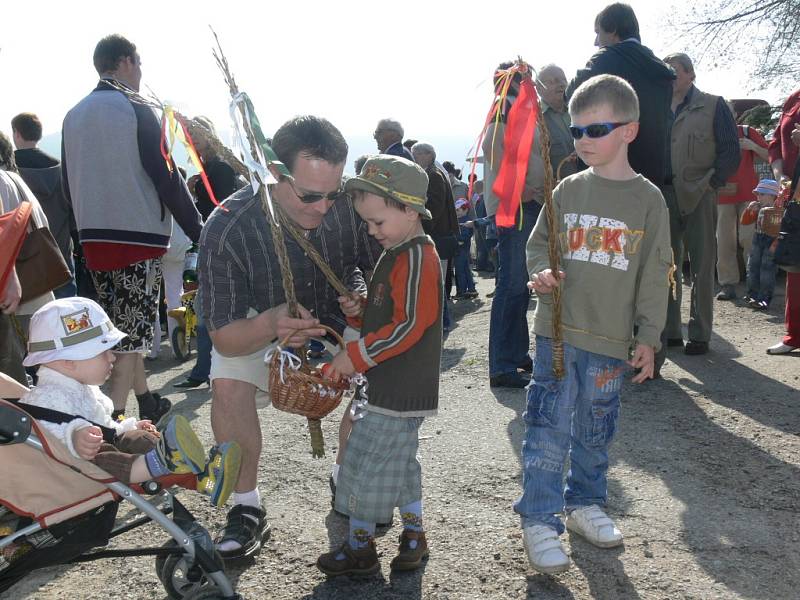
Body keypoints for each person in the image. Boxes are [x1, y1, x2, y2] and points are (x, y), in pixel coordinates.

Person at [198, 115, 378, 560]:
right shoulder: (227, 227)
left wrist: (363, 294)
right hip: (257, 330)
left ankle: (348, 478)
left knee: (381, 366)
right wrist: (269, 324)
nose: (323, 207)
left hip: (336, 320)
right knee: (228, 384)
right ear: (273, 173)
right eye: (310, 195)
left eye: (333, 194)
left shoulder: (347, 207)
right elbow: (223, 338)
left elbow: (379, 269)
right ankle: (245, 506)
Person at [519, 74, 671, 574]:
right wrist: (540, 272)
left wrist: (649, 336)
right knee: (546, 428)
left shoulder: (648, 201)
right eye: (576, 130)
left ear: (629, 130)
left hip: (611, 341)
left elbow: (655, 273)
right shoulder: (566, 190)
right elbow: (539, 243)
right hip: (558, 336)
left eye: (596, 129)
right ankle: (540, 519)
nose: (582, 140)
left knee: (595, 429)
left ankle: (585, 503)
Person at [61, 35, 203, 421]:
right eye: (138, 64)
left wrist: (80, 235)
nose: (140, 73)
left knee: (123, 328)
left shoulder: (72, 115)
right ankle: (115, 423)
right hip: (136, 237)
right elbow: (166, 175)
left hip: (92, 238)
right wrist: (198, 228)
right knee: (129, 338)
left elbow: (66, 185)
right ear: (125, 62)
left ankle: (147, 400)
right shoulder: (134, 108)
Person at [315, 155, 442, 577]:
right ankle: (413, 535)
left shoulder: (419, 256)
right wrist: (359, 312)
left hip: (399, 386)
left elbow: (409, 325)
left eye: (378, 223)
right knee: (400, 464)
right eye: (367, 224)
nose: (373, 232)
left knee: (366, 462)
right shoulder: (399, 250)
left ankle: (361, 550)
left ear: (409, 209)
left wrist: (352, 355)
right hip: (390, 383)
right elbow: (387, 316)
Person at [19, 297, 241, 506]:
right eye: (103, 352)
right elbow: (41, 433)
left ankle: (204, 478)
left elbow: (105, 425)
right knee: (103, 457)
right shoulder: (44, 397)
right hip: (74, 473)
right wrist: (73, 436)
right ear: (68, 361)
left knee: (141, 438)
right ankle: (158, 463)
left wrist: (128, 427)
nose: (112, 357)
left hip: (107, 458)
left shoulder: (82, 387)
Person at [660, 52, 740, 356]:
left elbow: (730, 150)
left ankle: (700, 334)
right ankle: (670, 332)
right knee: (667, 265)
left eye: (675, 72)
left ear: (691, 75)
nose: (671, 78)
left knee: (703, 265)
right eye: (666, 72)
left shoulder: (713, 105)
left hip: (701, 194)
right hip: (663, 195)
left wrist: (711, 183)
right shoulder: (655, 107)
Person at [482, 61, 544, 388]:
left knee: (520, 285)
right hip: (516, 205)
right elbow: (495, 151)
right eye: (525, 78)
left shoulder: (515, 108)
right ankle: (502, 363)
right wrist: (523, 189)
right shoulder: (503, 109)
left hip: (526, 202)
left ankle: (516, 355)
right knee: (512, 284)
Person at [566, 3, 675, 187]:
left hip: (607, 178)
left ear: (613, 29)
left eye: (598, 32)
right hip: (649, 179)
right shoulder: (662, 72)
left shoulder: (602, 61)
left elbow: (571, 97)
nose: (596, 42)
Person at [11, 112, 77, 299]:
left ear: (17, 133)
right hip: (61, 254)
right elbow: (72, 212)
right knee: (68, 316)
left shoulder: (10, 172)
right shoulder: (61, 167)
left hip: (26, 260)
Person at [715, 109, 770, 300]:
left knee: (749, 238)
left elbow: (770, 155)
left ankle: (754, 284)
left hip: (749, 194)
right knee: (724, 241)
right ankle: (727, 284)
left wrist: (752, 145)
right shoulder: (711, 133)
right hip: (721, 195)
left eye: (728, 114)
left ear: (734, 115)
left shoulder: (747, 131)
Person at [410, 142, 459, 331]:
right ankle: (441, 322)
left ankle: (443, 322)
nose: (414, 158)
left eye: (417, 154)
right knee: (436, 280)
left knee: (437, 281)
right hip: (438, 235)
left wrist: (421, 226)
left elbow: (435, 209)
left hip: (438, 236)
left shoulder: (434, 176)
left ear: (428, 155)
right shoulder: (431, 174)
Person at [766, 89, 800, 355]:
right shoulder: (794, 97)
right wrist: (780, 177)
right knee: (794, 265)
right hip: (795, 195)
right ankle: (794, 335)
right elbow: (776, 141)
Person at [742, 180, 782, 309]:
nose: (758, 197)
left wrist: (775, 244)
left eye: (762, 194)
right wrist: (749, 210)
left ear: (772, 195)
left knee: (767, 270)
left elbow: (781, 230)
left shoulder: (778, 210)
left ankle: (764, 298)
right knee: (753, 266)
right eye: (757, 194)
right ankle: (752, 295)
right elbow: (745, 221)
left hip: (772, 241)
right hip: (758, 238)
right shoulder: (759, 208)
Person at [536, 65, 578, 181]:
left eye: (563, 80)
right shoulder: (534, 119)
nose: (561, 84)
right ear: (539, 88)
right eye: (553, 81)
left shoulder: (580, 110)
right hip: (560, 192)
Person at [453, 199, 478, 299]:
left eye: (458, 210)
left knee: (460, 271)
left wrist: (460, 240)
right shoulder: (459, 220)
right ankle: (471, 289)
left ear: (465, 210)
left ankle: (462, 292)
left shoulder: (466, 221)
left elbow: (466, 234)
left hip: (462, 248)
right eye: (455, 210)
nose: (456, 212)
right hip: (460, 248)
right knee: (466, 269)